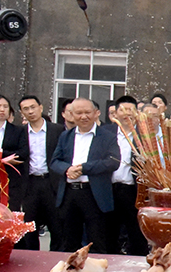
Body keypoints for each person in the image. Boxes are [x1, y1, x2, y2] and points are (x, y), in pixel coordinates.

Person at [49, 98, 120, 253]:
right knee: (69, 241)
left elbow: (113, 162)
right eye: (79, 113)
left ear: (96, 113)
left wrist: (84, 168)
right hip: (69, 193)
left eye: (87, 112)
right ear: (71, 115)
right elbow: (55, 161)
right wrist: (67, 169)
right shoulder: (65, 136)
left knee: (97, 241)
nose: (83, 116)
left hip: (94, 194)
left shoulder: (107, 136)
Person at [16, 95, 64, 251]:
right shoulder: (20, 132)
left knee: (57, 226)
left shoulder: (57, 130)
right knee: (30, 227)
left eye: (33, 107)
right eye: (26, 109)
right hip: (30, 184)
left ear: (41, 108)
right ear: (21, 112)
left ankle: (56, 262)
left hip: (52, 182)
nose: (30, 111)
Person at [106, 95, 147, 256]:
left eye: (131, 110)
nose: (127, 114)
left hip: (133, 190)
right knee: (109, 231)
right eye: (122, 110)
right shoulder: (106, 133)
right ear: (115, 113)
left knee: (136, 232)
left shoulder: (144, 135)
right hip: (110, 189)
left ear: (137, 113)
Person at [0, 94, 27, 209]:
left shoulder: (18, 131)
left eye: (6, 106)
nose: (2, 109)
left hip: (11, 182)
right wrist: (5, 157)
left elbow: (23, 153)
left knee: (9, 215)